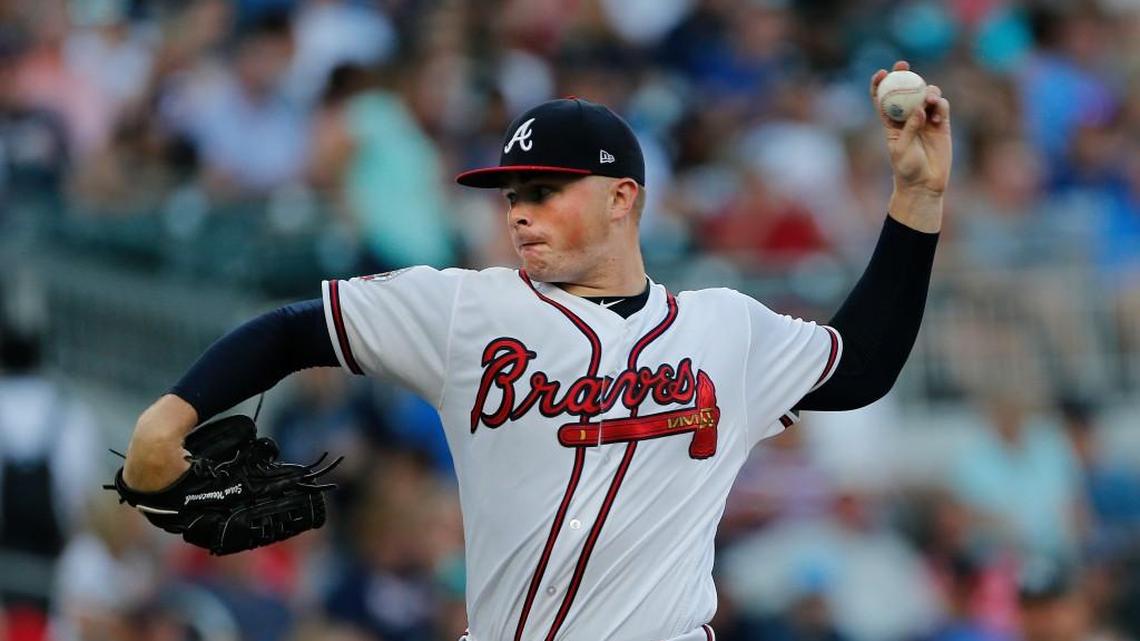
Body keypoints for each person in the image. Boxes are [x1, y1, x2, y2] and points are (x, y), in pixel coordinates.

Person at [120, 60, 951, 641]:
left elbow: (863, 363)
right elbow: (293, 329)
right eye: (515, 194)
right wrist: (170, 417)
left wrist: (915, 199)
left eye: (547, 192)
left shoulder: (726, 329)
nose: (521, 211)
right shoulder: (466, 310)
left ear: (624, 197)